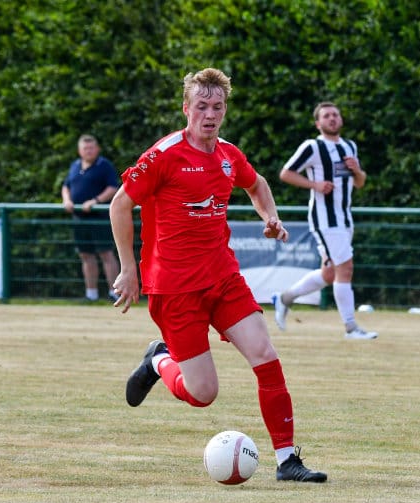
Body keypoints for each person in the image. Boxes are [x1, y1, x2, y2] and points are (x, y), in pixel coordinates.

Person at [109, 68, 327, 482]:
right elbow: (120, 205)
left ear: (225, 109)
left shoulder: (228, 155)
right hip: (174, 289)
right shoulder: (164, 155)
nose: (210, 114)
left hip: (223, 279)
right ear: (186, 108)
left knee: (265, 355)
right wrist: (128, 269)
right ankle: (159, 360)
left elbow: (257, 184)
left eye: (217, 106)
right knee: (203, 394)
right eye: (202, 106)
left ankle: (287, 461)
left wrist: (271, 217)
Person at [271, 101, 377, 340]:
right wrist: (315, 185)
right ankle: (351, 328)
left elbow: (360, 183)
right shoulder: (313, 146)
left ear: (341, 119)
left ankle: (284, 298)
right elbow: (286, 173)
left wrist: (357, 170)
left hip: (345, 218)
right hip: (325, 219)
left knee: (330, 274)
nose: (332, 118)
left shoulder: (349, 146)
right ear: (318, 123)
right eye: (326, 115)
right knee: (345, 269)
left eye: (335, 115)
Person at [61, 134, 121, 302]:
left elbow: (113, 188)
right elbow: (66, 186)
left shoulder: (104, 165)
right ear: (79, 150)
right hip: (79, 218)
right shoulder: (75, 165)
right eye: (85, 148)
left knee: (106, 253)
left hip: (99, 217)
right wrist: (67, 200)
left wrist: (95, 201)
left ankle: (115, 292)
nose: (88, 151)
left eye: (91, 148)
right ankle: (91, 294)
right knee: (85, 255)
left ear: (98, 149)